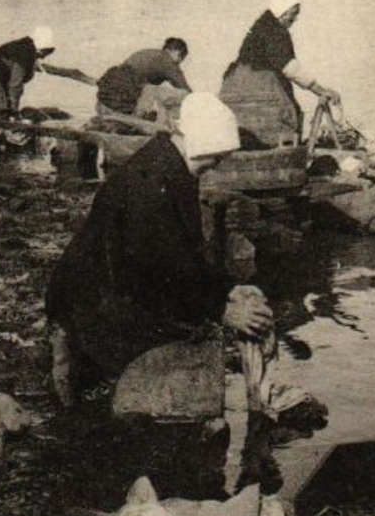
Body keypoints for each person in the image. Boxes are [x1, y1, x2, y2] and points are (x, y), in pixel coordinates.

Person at [45, 93, 274, 407]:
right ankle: (73, 346)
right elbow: (163, 266)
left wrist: (228, 289)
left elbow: (185, 254)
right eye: (217, 156)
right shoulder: (153, 183)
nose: (216, 165)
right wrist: (222, 310)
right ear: (205, 144)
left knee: (190, 324)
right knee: (184, 340)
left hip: (115, 283)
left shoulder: (173, 164)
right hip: (92, 300)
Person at [218, 0, 340, 149]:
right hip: (261, 86)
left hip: (235, 87)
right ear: (282, 11)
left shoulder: (261, 26)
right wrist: (320, 90)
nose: (295, 19)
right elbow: (289, 67)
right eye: (293, 13)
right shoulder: (276, 32)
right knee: (289, 115)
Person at [95, 36, 192, 121]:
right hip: (124, 95)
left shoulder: (147, 53)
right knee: (179, 94)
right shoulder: (166, 60)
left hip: (107, 95)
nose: (180, 62)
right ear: (173, 50)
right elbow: (183, 87)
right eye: (180, 57)